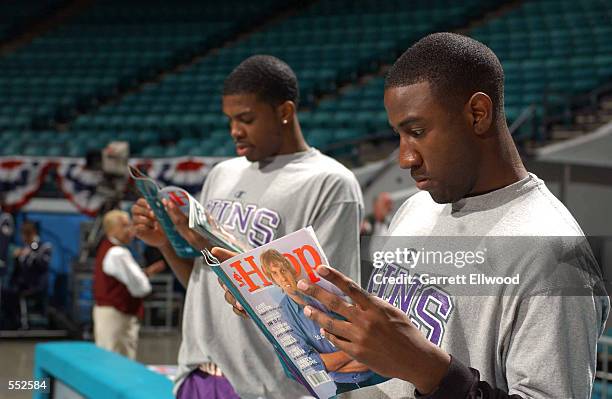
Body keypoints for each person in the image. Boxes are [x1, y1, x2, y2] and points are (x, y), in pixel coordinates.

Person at [220, 33, 610, 398]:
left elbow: (419, 361)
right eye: (399, 136)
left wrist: (432, 371)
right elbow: (390, 360)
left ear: (477, 113)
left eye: (418, 131)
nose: (405, 157)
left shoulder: (553, 254)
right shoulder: (416, 207)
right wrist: (281, 308)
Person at [131, 55, 364, 398]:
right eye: (230, 120)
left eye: (246, 119)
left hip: (267, 386)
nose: (234, 131)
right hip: (197, 373)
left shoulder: (331, 183)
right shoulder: (221, 174)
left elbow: (325, 306)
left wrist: (212, 242)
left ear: (284, 112)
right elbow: (203, 286)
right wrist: (166, 242)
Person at [259, 249, 373, 391]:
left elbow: (365, 327)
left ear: (291, 269)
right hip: (346, 386)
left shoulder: (322, 288)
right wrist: (359, 350)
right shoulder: (284, 315)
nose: (282, 278)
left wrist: (333, 363)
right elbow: (313, 364)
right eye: (275, 274)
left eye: (283, 270)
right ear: (272, 279)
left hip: (380, 370)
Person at [93, 210, 153, 359]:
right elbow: (141, 287)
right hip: (118, 315)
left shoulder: (106, 248)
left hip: (107, 312)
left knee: (108, 357)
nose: (131, 230)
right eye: (125, 226)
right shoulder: (118, 253)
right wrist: (144, 278)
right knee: (118, 363)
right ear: (112, 230)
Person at [0, 220, 51, 329]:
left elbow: (42, 265)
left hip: (36, 284)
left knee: (11, 293)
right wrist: (16, 257)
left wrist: (31, 254)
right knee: (5, 292)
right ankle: (11, 321)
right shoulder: (24, 248)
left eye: (24, 234)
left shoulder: (44, 247)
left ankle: (17, 322)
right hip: (21, 283)